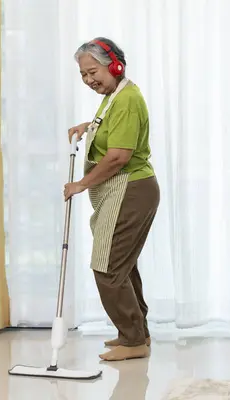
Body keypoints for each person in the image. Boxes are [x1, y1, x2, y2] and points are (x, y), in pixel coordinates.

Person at [63, 37, 160, 361]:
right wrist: (88, 126)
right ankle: (135, 333)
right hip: (125, 191)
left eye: (93, 72)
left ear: (115, 65)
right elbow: (110, 128)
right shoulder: (115, 95)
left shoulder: (127, 98)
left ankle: (133, 342)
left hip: (130, 189)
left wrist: (81, 184)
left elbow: (118, 156)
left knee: (107, 267)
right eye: (83, 76)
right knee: (122, 266)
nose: (90, 80)